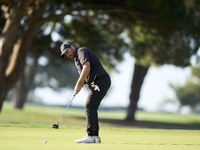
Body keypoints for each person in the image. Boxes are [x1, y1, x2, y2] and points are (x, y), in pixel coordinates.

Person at [60, 42, 111, 143]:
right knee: (92, 107)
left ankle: (90, 135)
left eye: (67, 52)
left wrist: (78, 83)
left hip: (100, 80)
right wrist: (80, 84)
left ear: (72, 46)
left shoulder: (81, 51)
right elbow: (84, 77)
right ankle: (95, 136)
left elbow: (86, 67)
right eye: (65, 54)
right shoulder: (76, 60)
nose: (68, 55)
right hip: (96, 82)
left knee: (89, 106)